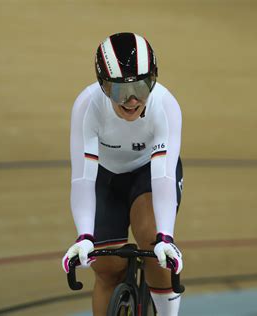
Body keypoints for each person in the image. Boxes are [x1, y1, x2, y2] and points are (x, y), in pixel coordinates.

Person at [61, 32, 184, 316]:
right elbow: (82, 178)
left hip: (149, 172)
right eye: (119, 91)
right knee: (107, 270)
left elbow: (163, 176)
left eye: (141, 88)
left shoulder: (165, 106)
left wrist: (166, 236)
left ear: (153, 80)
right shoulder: (87, 106)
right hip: (106, 178)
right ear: (103, 86)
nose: (131, 100)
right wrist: (84, 236)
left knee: (154, 245)